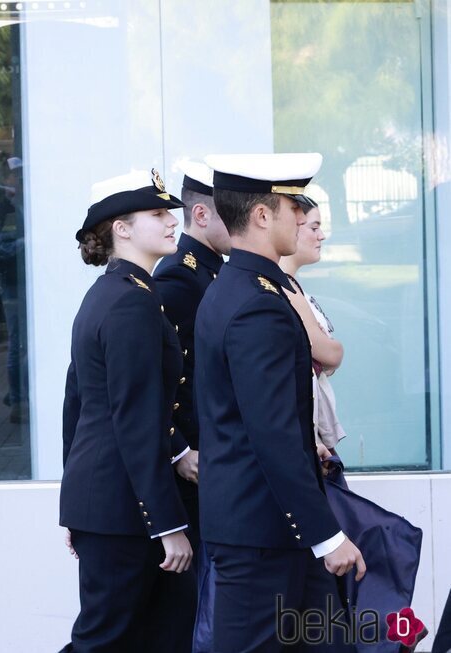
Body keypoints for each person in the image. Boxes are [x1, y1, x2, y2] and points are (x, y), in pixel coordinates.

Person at [196, 153, 365, 652]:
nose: (302, 216)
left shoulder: (247, 288)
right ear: (263, 215)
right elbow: (273, 434)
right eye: (294, 205)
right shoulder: (255, 303)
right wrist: (327, 536)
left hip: (271, 529)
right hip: (260, 535)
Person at [61, 169, 194, 652]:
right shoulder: (130, 303)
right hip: (122, 509)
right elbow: (136, 422)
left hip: (107, 503)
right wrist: (168, 524)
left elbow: (75, 406)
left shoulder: (114, 294)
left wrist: (77, 503)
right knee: (107, 640)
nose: (169, 222)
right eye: (157, 214)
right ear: (121, 228)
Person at [153, 161, 230, 552]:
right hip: (193, 463)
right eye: (231, 214)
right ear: (200, 214)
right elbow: (163, 376)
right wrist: (180, 448)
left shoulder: (213, 270)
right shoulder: (179, 276)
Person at [278, 197, 346, 451]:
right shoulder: (284, 288)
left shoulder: (293, 284)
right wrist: (332, 348)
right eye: (314, 227)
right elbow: (329, 353)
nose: (322, 236)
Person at [0, 157, 29, 423]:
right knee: (16, 345)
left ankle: (26, 394)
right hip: (12, 287)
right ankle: (17, 401)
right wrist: (26, 242)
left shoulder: (31, 205)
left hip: (35, 288)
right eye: (16, 176)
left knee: (32, 345)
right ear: (6, 181)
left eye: (23, 176)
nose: (21, 181)